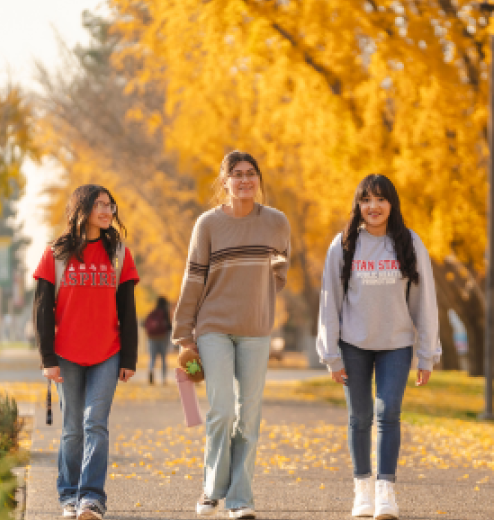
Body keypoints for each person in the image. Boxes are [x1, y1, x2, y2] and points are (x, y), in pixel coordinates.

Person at [172, 150, 291, 519]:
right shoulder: (207, 224)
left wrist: (259, 303)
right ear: (224, 182)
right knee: (221, 410)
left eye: (250, 173)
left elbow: (280, 274)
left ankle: (240, 498)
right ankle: (211, 490)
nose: (244, 180)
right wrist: (184, 333)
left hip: (256, 330)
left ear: (258, 180)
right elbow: (193, 279)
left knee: (249, 415)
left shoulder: (276, 222)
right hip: (214, 328)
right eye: (236, 174)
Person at [316, 174, 441, 520]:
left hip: (396, 345)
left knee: (388, 414)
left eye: (381, 199)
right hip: (353, 344)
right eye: (366, 200)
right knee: (359, 417)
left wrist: (427, 354)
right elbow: (330, 302)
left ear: (392, 204)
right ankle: (362, 490)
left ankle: (386, 491)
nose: (373, 207)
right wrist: (331, 354)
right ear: (358, 205)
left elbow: (424, 302)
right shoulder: (343, 245)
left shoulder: (409, 243)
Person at [33, 184, 140, 520]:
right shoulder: (56, 253)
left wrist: (129, 358)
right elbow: (42, 309)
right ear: (82, 210)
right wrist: (47, 359)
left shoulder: (119, 253)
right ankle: (69, 496)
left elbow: (128, 309)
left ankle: (91, 499)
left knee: (96, 423)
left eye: (110, 205)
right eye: (99, 205)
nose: (107, 212)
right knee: (72, 429)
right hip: (66, 354)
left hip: (107, 354)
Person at [144, 296, 172, 385]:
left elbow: (145, 323)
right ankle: (163, 379)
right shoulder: (165, 313)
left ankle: (151, 370)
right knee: (163, 359)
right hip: (162, 338)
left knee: (152, 358)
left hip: (152, 338)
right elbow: (169, 326)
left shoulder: (153, 312)